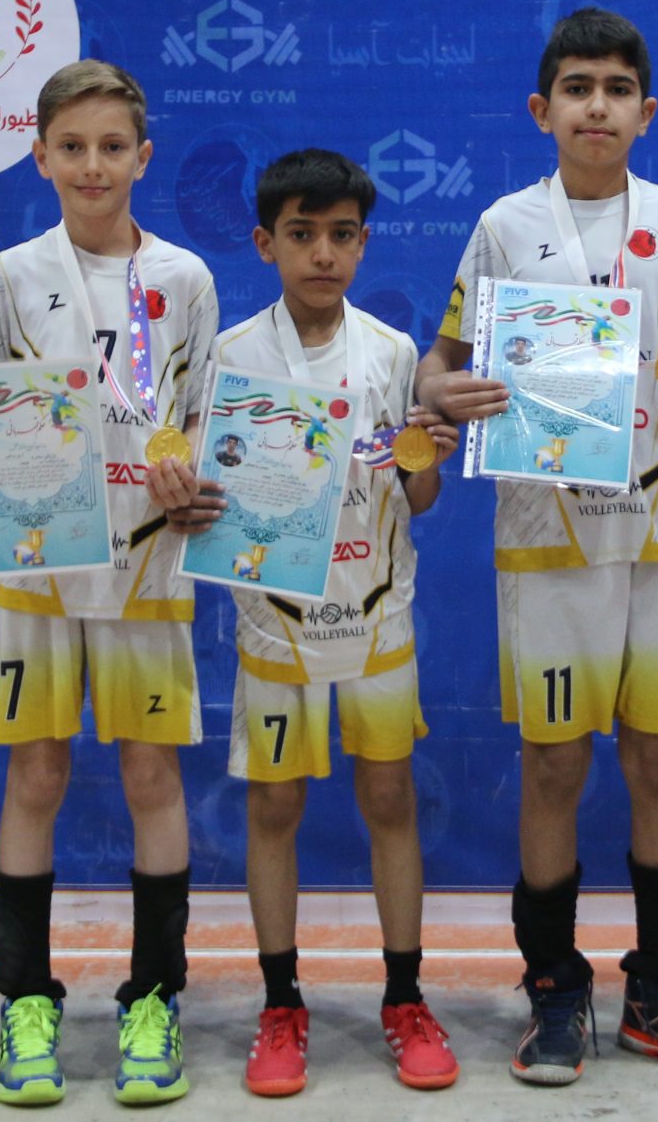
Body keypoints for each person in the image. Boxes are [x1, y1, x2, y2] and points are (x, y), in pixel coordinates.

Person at [415, 8, 658, 1087]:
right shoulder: (504, 225)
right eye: (576, 87)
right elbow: (438, 363)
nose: (595, 106)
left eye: (615, 89)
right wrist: (446, 394)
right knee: (554, 763)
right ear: (541, 109)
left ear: (646, 111)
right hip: (545, 525)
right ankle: (555, 990)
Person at [0, 60, 222, 1108]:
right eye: (72, 147)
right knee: (37, 774)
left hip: (147, 560)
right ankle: (25, 1001)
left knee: (150, 776)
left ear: (143, 157)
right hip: (39, 568)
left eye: (111, 147)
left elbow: (200, 412)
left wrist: (193, 475)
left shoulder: (185, 279)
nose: (92, 165)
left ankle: (155, 999)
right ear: (40, 155)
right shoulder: (11, 277)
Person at [212, 148, 464, 1098]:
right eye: (303, 234)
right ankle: (282, 1004)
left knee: (390, 798)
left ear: (363, 243)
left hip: (376, 612)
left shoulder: (394, 354)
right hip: (276, 620)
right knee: (274, 807)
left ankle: (404, 996)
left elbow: (420, 498)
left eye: (342, 235)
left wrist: (425, 458)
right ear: (265, 242)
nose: (323, 253)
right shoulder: (232, 357)